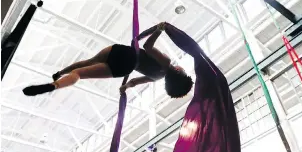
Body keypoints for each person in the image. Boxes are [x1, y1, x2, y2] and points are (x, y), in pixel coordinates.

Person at [22, 22, 193, 98]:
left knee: (87, 62)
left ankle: (59, 73)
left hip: (122, 52)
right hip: (124, 67)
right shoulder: (157, 77)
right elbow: (133, 81)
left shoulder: (167, 63)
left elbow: (147, 46)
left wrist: (159, 30)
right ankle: (56, 85)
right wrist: (124, 87)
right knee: (80, 74)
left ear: (179, 71)